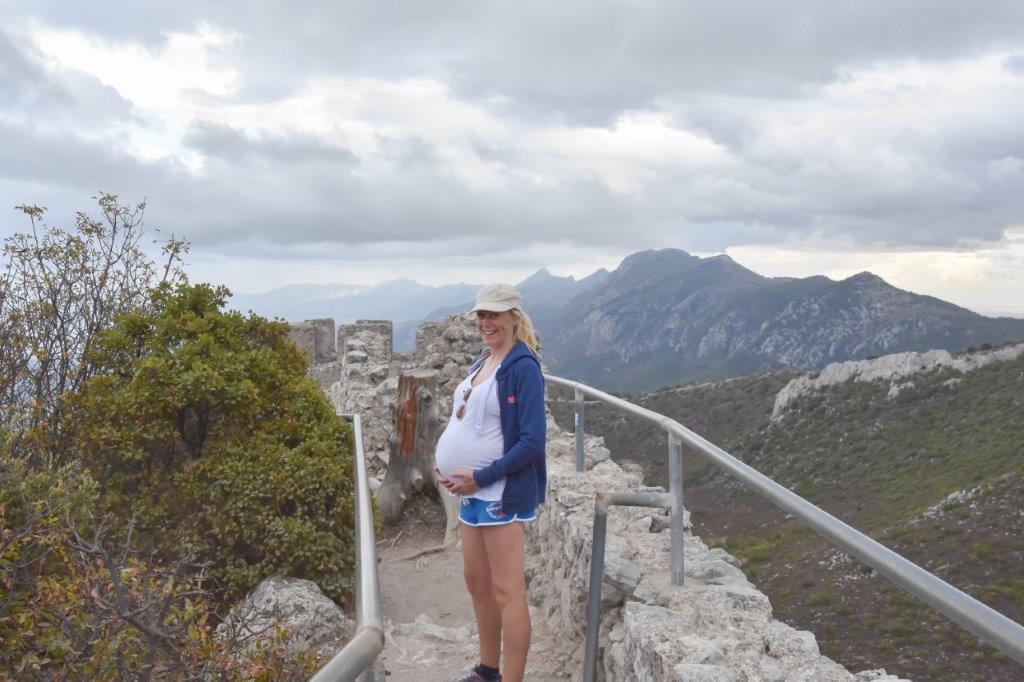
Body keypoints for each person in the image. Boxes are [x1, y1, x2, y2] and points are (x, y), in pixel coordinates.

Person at [434, 283, 547, 682]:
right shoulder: (482, 360)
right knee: (477, 583)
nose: (485, 322)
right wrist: (444, 464)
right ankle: (487, 669)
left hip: (499, 492)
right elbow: (461, 420)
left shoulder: (523, 368)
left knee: (506, 592)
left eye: (494, 315)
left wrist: (480, 475)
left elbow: (532, 441)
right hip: (469, 494)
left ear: (513, 317)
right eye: (481, 315)